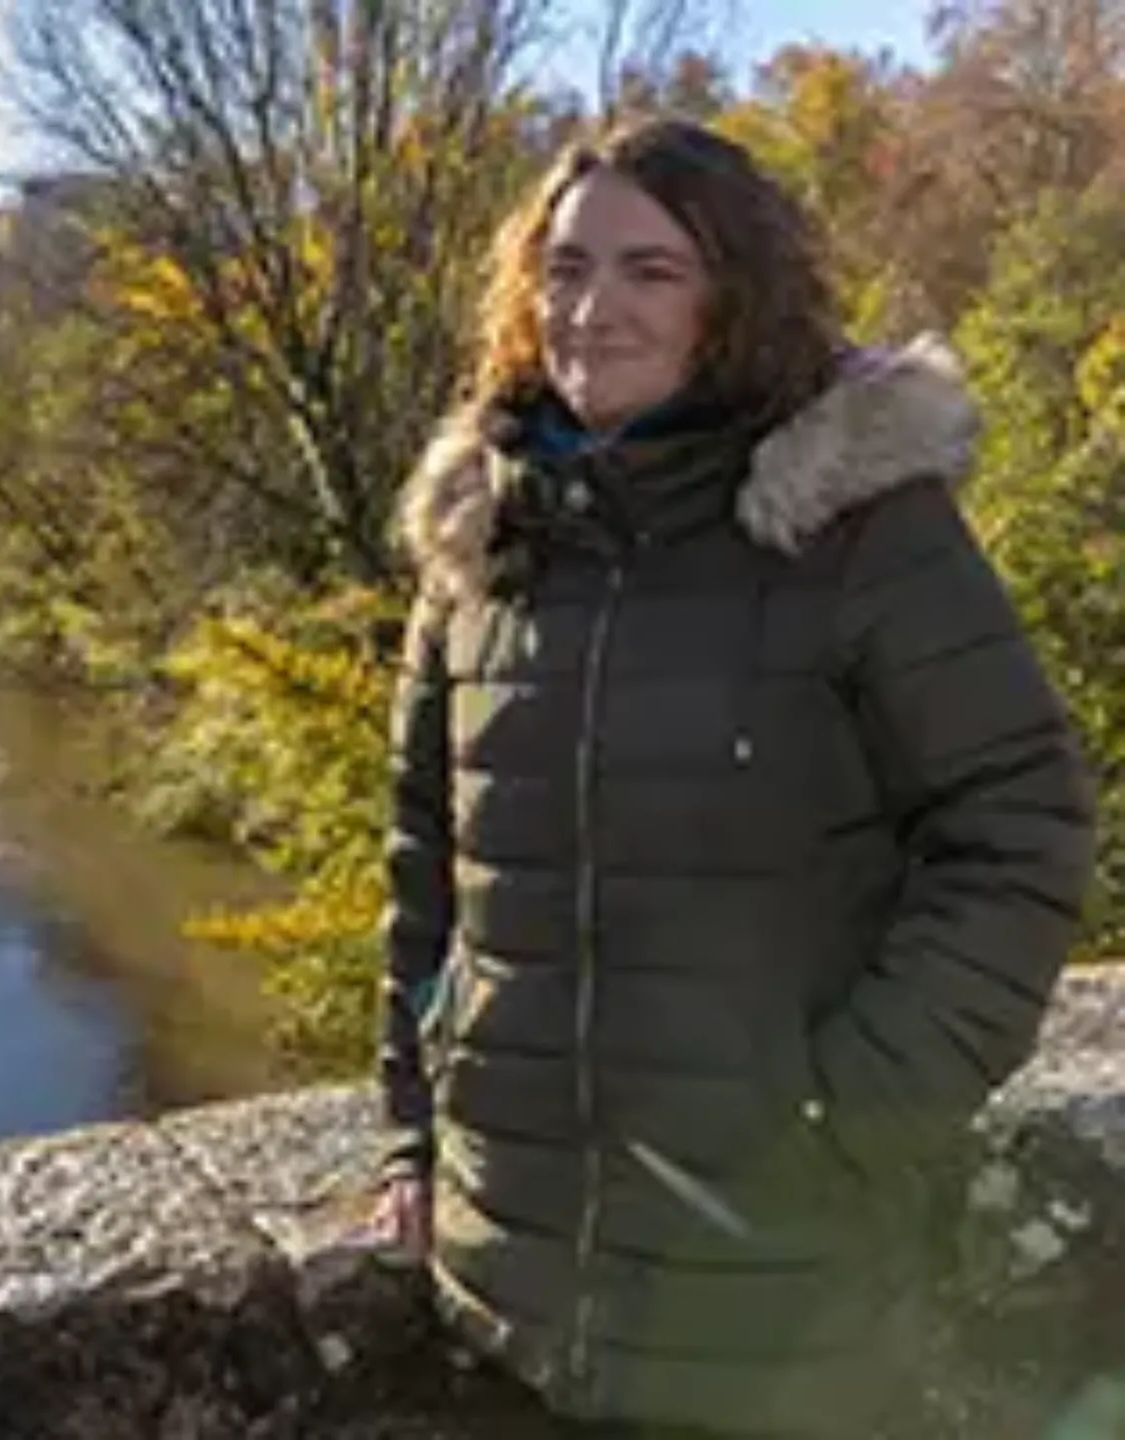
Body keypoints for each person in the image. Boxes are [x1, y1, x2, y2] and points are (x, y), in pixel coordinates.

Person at [371, 114, 1097, 1439]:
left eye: (653, 271)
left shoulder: (860, 530)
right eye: (567, 269)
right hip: (513, 1275)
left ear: (734, 303)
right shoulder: (482, 550)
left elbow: (1021, 824)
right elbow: (427, 854)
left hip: (784, 1284)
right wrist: (417, 1129)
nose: (593, 310)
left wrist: (857, 1107)